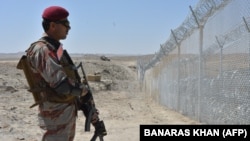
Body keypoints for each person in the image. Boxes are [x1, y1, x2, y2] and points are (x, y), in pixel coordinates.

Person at [24, 6, 90, 141]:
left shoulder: (54, 48)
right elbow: (61, 84)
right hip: (56, 114)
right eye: (65, 23)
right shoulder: (43, 50)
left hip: (63, 111)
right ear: (53, 25)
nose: (69, 27)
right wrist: (83, 91)